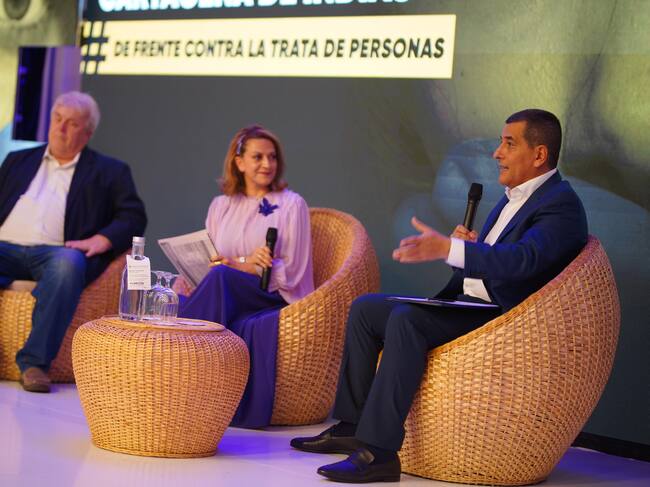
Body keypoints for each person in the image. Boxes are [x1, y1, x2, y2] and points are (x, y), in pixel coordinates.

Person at [291, 109, 588, 483]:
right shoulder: (513, 197)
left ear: (539, 154)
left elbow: (524, 261)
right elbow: (498, 260)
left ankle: (379, 453)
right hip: (472, 303)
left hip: (504, 318)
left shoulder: (560, 203)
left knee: (407, 320)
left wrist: (451, 249)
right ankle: (352, 425)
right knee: (366, 309)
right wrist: (465, 252)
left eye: (509, 144)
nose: (497, 153)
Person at [0, 91, 147, 393]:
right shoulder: (17, 160)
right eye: (57, 119)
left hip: (57, 253)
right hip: (6, 248)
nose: (61, 128)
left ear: (87, 133)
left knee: (67, 265)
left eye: (72, 123)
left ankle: (34, 364)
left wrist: (103, 239)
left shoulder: (109, 171)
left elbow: (133, 216)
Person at [175, 124, 314, 428]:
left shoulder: (292, 204)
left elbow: (294, 270)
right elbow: (214, 259)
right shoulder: (221, 205)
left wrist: (241, 266)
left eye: (272, 157)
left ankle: (182, 370)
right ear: (239, 163)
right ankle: (188, 372)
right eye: (258, 157)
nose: (267, 164)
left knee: (221, 278)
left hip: (269, 293)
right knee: (180, 292)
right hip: (226, 286)